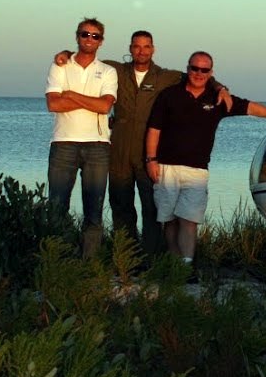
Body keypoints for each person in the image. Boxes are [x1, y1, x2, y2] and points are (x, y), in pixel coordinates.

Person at [53, 31, 229, 254]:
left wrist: (220, 87)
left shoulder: (166, 76)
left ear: (153, 49)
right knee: (121, 206)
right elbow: (86, 57)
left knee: (151, 208)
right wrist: (65, 54)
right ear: (130, 48)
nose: (141, 51)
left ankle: (152, 259)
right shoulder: (113, 70)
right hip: (119, 149)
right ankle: (127, 258)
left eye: (146, 46)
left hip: (149, 152)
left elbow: (198, 75)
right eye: (137, 46)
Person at [145, 50, 266, 264]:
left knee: (189, 220)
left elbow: (248, 107)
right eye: (194, 68)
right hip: (166, 167)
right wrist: (151, 160)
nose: (198, 73)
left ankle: (186, 266)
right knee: (169, 220)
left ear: (210, 72)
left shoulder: (217, 99)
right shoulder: (169, 95)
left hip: (197, 171)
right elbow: (154, 129)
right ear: (187, 68)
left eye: (204, 70)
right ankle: (173, 264)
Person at [45, 18, 118, 258]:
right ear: (77, 36)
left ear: (101, 41)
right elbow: (54, 103)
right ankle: (58, 260)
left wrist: (72, 94)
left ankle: (89, 264)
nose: (89, 39)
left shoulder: (108, 71)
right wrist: (89, 101)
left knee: (94, 210)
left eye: (95, 36)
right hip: (63, 143)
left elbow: (104, 106)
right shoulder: (60, 66)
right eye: (85, 34)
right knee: (56, 207)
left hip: (97, 146)